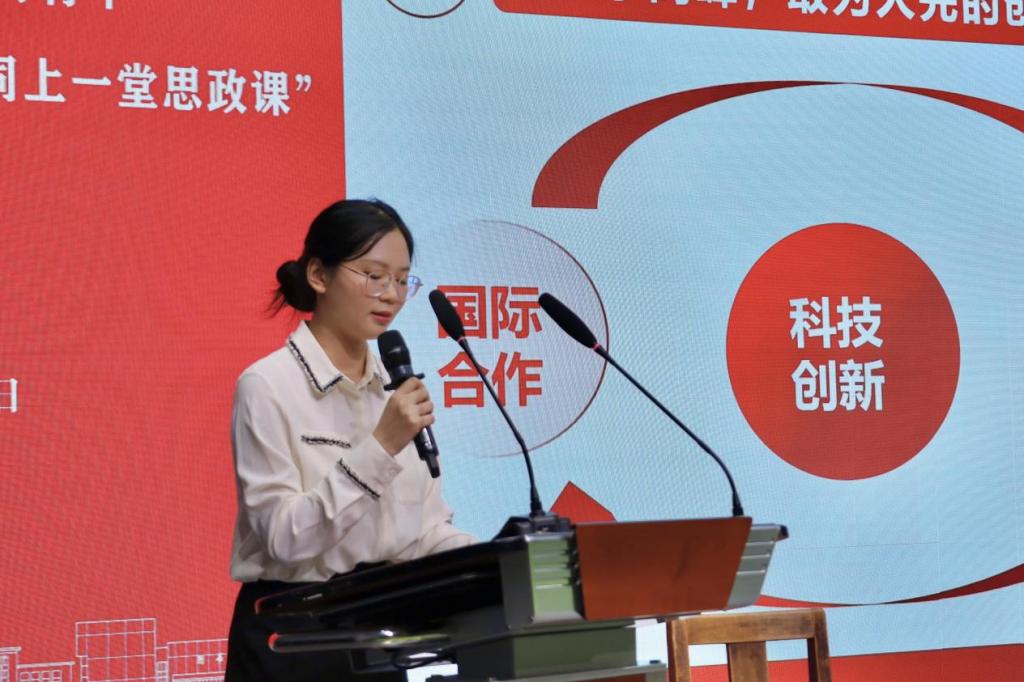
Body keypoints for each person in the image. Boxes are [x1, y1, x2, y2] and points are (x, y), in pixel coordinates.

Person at [225, 199, 475, 681]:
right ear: (319, 275)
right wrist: (381, 446)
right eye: (374, 276)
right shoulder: (268, 386)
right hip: (292, 637)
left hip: (378, 633)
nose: (391, 295)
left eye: (402, 280)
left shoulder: (394, 389)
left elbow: (423, 532)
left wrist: (497, 564)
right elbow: (283, 538)